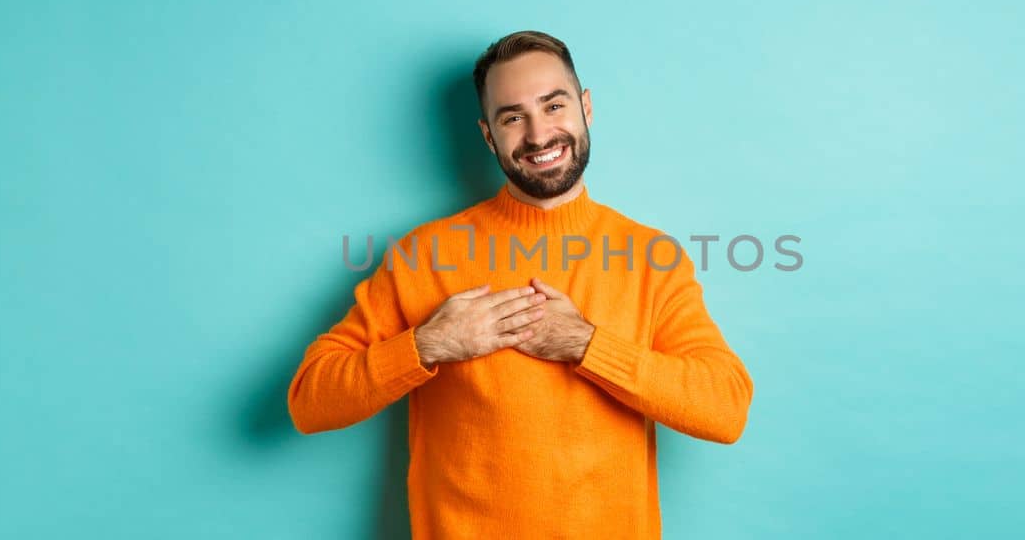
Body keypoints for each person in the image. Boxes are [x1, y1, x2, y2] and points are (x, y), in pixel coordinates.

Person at [288, 30, 753, 539]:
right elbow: (310, 401)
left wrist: (587, 346)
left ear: (586, 108)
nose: (538, 135)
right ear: (489, 135)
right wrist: (429, 344)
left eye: (554, 106)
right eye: (513, 117)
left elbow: (725, 409)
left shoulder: (651, 258)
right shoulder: (424, 254)